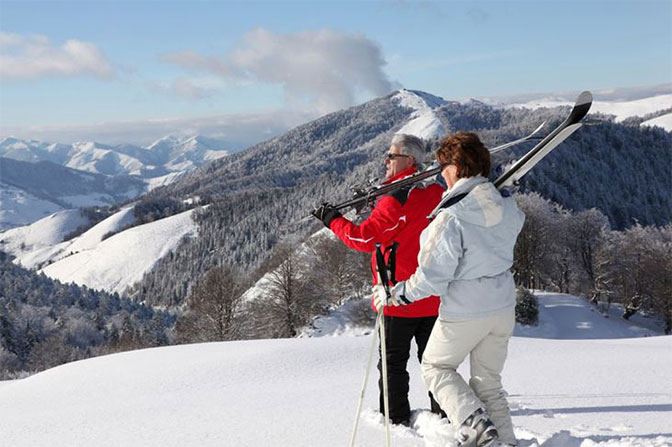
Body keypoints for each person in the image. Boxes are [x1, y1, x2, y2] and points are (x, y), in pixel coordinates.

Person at [374, 132, 525, 446]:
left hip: (466, 308)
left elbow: (431, 277)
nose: (441, 174)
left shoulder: (449, 218)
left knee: (436, 367)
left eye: (443, 167)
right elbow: (511, 219)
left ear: (456, 168)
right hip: (502, 307)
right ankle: (506, 441)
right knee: (488, 384)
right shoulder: (506, 208)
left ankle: (474, 426)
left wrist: (396, 294)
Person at [312, 134, 445, 426]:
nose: (386, 160)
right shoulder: (435, 189)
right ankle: (445, 418)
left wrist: (333, 220)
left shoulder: (397, 196)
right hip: (434, 295)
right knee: (436, 364)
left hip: (397, 297)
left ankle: (395, 421)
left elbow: (363, 237)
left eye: (391, 156)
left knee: (393, 364)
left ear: (409, 160)